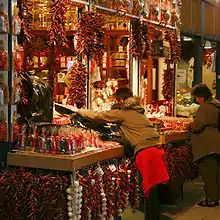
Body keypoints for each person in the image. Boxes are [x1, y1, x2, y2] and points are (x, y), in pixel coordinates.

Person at [68, 88, 170, 220]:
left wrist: (78, 111)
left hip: (146, 152)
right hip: (155, 148)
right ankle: (153, 216)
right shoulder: (137, 110)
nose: (114, 102)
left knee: (149, 188)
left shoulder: (123, 112)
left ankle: (151, 217)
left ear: (121, 100)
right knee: (153, 187)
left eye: (116, 99)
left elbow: (100, 116)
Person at [190, 83, 220, 207]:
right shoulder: (216, 104)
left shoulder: (205, 107)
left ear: (201, 96)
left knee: (209, 174)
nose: (197, 100)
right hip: (216, 143)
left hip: (207, 145)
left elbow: (198, 126)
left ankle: (211, 199)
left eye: (197, 97)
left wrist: (190, 125)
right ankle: (215, 197)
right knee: (216, 173)